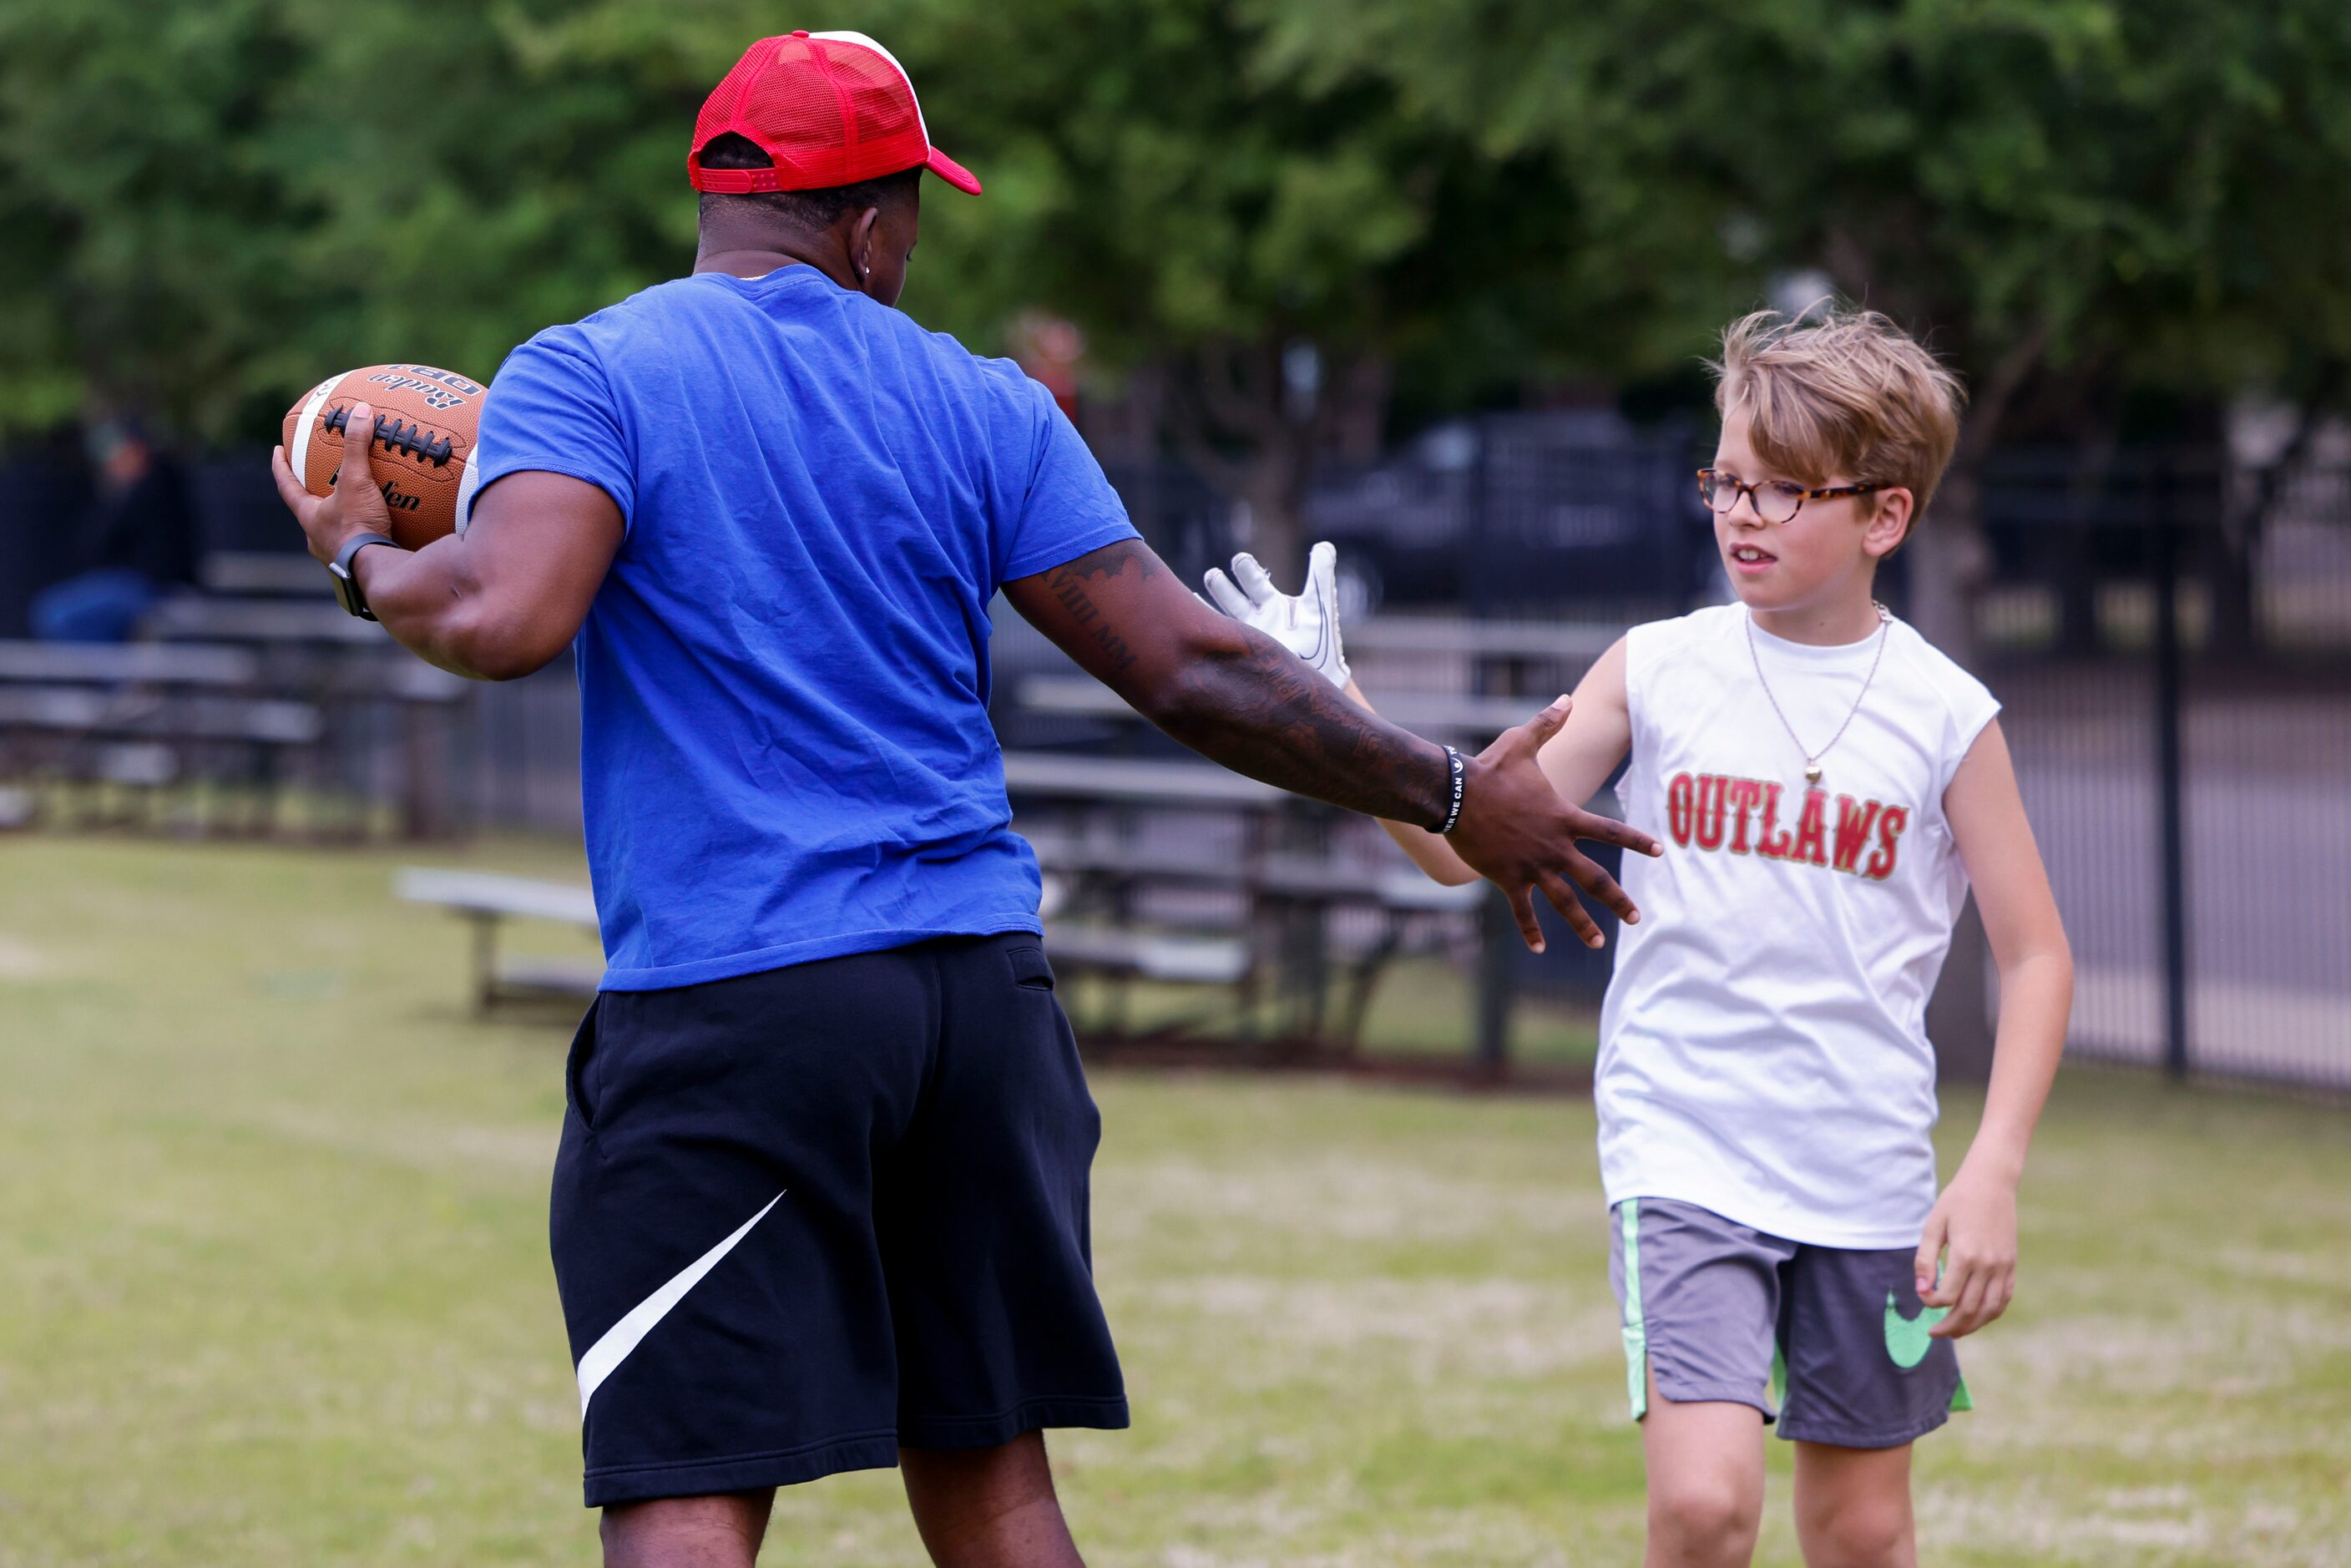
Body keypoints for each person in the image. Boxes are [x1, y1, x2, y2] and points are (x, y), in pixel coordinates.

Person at [270, 29, 1657, 1568]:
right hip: (978, 1001)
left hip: (746, 999)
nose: (911, 250)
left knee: (691, 1483)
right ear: (868, 223)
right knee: (997, 1485)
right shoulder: (980, 401)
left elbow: (503, 616)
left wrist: (358, 558)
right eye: (912, 217)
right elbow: (1193, 668)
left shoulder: (593, 370)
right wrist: (1455, 788)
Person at [1214, 308, 2074, 1568]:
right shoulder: (1657, 669)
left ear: (1885, 516)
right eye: (1728, 481)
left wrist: (1993, 1167)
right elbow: (1464, 844)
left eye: (1784, 491)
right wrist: (1331, 707)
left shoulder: (1948, 714)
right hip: (1687, 1151)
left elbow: (2037, 954)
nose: (1744, 514)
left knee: (1863, 1531)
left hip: (1870, 1170)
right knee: (1705, 1507)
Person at [30, 417, 197, 643]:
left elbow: (102, 538)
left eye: (118, 454)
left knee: (56, 614)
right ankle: (114, 676)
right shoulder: (151, 486)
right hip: (136, 584)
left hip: (152, 587)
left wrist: (117, 490)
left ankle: (113, 677)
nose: (112, 463)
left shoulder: (156, 486)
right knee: (67, 614)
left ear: (137, 449)